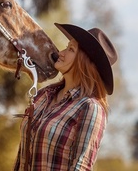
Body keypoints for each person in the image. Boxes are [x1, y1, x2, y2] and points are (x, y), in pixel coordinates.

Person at [14, 23, 118, 171]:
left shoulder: (90, 108)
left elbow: (80, 166)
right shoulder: (42, 96)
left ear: (85, 62)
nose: (60, 52)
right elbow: (21, 158)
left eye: (70, 49)